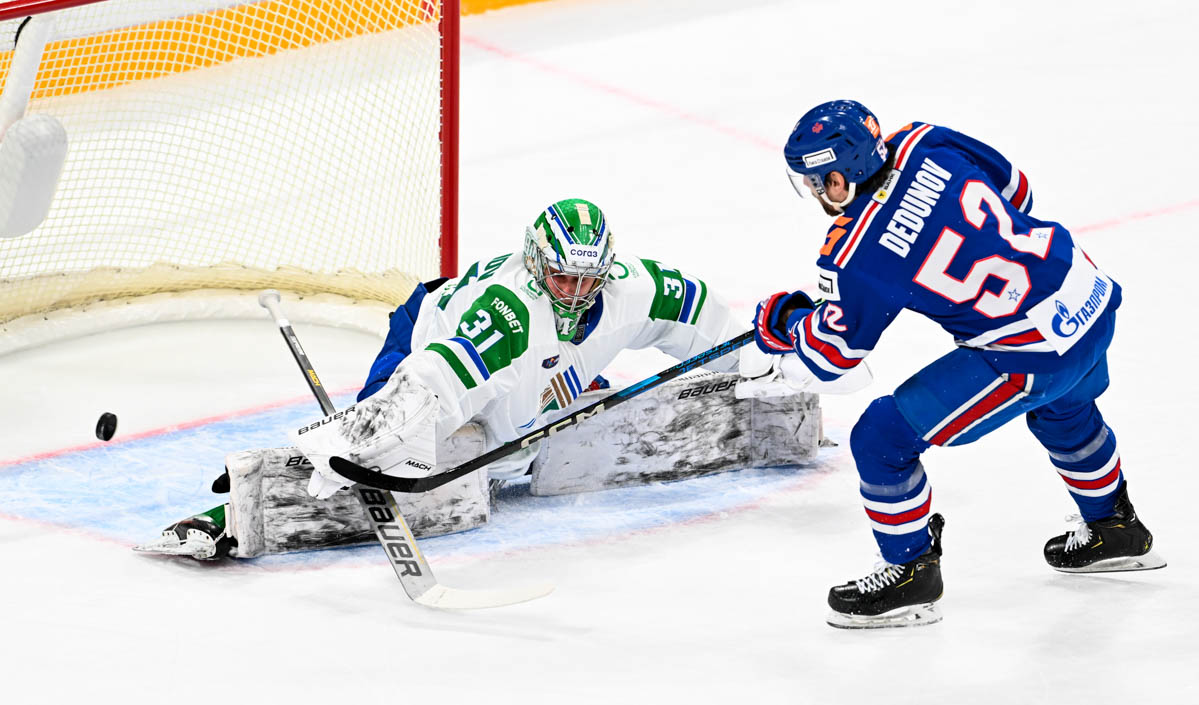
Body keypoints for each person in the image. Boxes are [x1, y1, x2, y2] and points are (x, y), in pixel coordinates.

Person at [140, 198, 750, 558]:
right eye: (563, 277)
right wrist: (352, 447)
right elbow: (430, 384)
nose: (576, 292)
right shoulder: (507, 316)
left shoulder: (635, 287)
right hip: (427, 335)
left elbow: (704, 319)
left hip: (522, 365)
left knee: (525, 420)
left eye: (589, 279)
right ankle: (221, 518)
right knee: (388, 451)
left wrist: (752, 373)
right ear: (536, 263)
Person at [754, 100, 1164, 629]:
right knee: (1064, 409)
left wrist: (786, 322)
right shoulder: (925, 139)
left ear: (838, 179)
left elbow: (831, 358)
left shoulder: (855, 251)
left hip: (1032, 354)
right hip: (1087, 298)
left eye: (815, 182)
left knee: (881, 439)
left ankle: (909, 574)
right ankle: (1114, 528)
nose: (814, 192)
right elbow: (1018, 191)